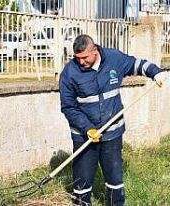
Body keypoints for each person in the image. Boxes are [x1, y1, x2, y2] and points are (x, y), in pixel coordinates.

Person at [59, 34, 167, 205]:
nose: (81, 62)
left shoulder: (113, 58)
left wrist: (156, 72)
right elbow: (68, 107)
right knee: (82, 181)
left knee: (115, 179)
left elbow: (136, 64)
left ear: (94, 51)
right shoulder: (69, 73)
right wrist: (87, 128)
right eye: (77, 58)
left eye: (84, 57)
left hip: (112, 132)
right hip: (84, 135)